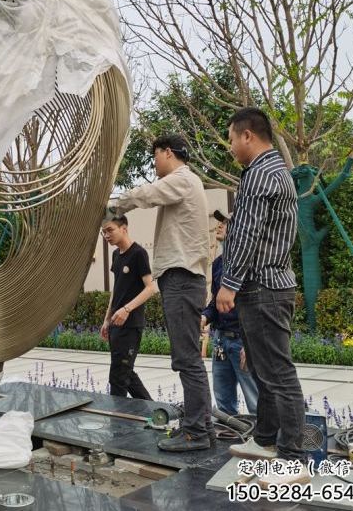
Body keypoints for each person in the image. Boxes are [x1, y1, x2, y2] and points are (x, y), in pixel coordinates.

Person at [216, 107, 308, 487]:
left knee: (279, 375)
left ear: (248, 135)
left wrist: (229, 282)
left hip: (262, 287)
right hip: (272, 284)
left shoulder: (258, 175)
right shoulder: (278, 172)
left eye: (232, 138)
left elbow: (250, 234)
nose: (231, 146)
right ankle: (267, 440)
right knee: (264, 370)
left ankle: (293, 458)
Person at [110, 134, 213, 452]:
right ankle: (201, 426)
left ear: (168, 153)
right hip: (181, 280)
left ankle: (196, 432)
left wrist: (114, 203)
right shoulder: (186, 183)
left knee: (187, 360)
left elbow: (149, 194)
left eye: (155, 155)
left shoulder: (183, 179)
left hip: (182, 280)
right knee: (187, 359)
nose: (154, 162)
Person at [202, 209, 258, 415]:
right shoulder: (218, 263)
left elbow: (257, 305)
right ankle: (229, 440)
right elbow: (215, 302)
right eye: (220, 221)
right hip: (221, 342)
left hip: (243, 341)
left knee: (256, 402)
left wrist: (252, 342)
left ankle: (262, 442)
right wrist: (204, 317)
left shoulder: (252, 263)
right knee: (223, 403)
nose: (220, 225)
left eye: (226, 222)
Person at [100, 215, 155, 400]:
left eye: (110, 230)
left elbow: (151, 288)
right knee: (125, 372)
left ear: (124, 228)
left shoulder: (138, 253)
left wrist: (126, 309)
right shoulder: (116, 255)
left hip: (131, 325)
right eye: (103, 232)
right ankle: (155, 411)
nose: (106, 235)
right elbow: (116, 289)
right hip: (116, 324)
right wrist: (107, 319)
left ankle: (118, 421)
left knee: (118, 376)